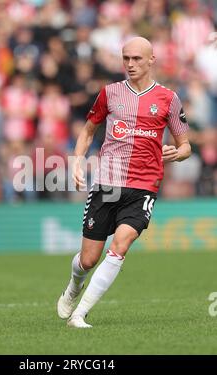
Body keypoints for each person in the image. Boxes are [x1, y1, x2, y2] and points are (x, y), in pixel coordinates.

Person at [57, 36, 191, 328]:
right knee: (88, 260)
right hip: (108, 183)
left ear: (151, 60)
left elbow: (186, 146)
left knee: (121, 244)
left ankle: (79, 314)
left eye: (137, 59)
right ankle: (73, 286)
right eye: (126, 58)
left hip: (144, 186)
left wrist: (176, 154)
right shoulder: (110, 93)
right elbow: (88, 131)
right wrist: (77, 160)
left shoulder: (168, 99)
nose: (130, 64)